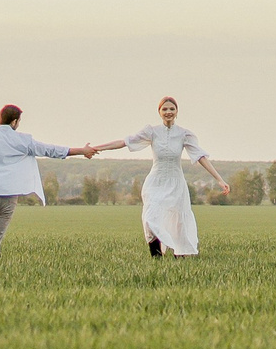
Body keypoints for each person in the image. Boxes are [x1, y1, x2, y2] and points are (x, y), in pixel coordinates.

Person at [0, 103, 97, 259]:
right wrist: (82, 151)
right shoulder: (24, 140)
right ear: (14, 122)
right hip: (10, 199)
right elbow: (51, 150)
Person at [84, 96, 227, 257]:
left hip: (176, 183)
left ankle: (180, 253)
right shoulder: (152, 132)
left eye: (172, 109)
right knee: (150, 217)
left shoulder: (184, 134)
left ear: (177, 112)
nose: (168, 112)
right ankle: (156, 256)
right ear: (159, 112)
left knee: (177, 220)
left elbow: (200, 157)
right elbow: (124, 142)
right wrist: (96, 148)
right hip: (155, 182)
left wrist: (219, 180)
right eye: (164, 109)